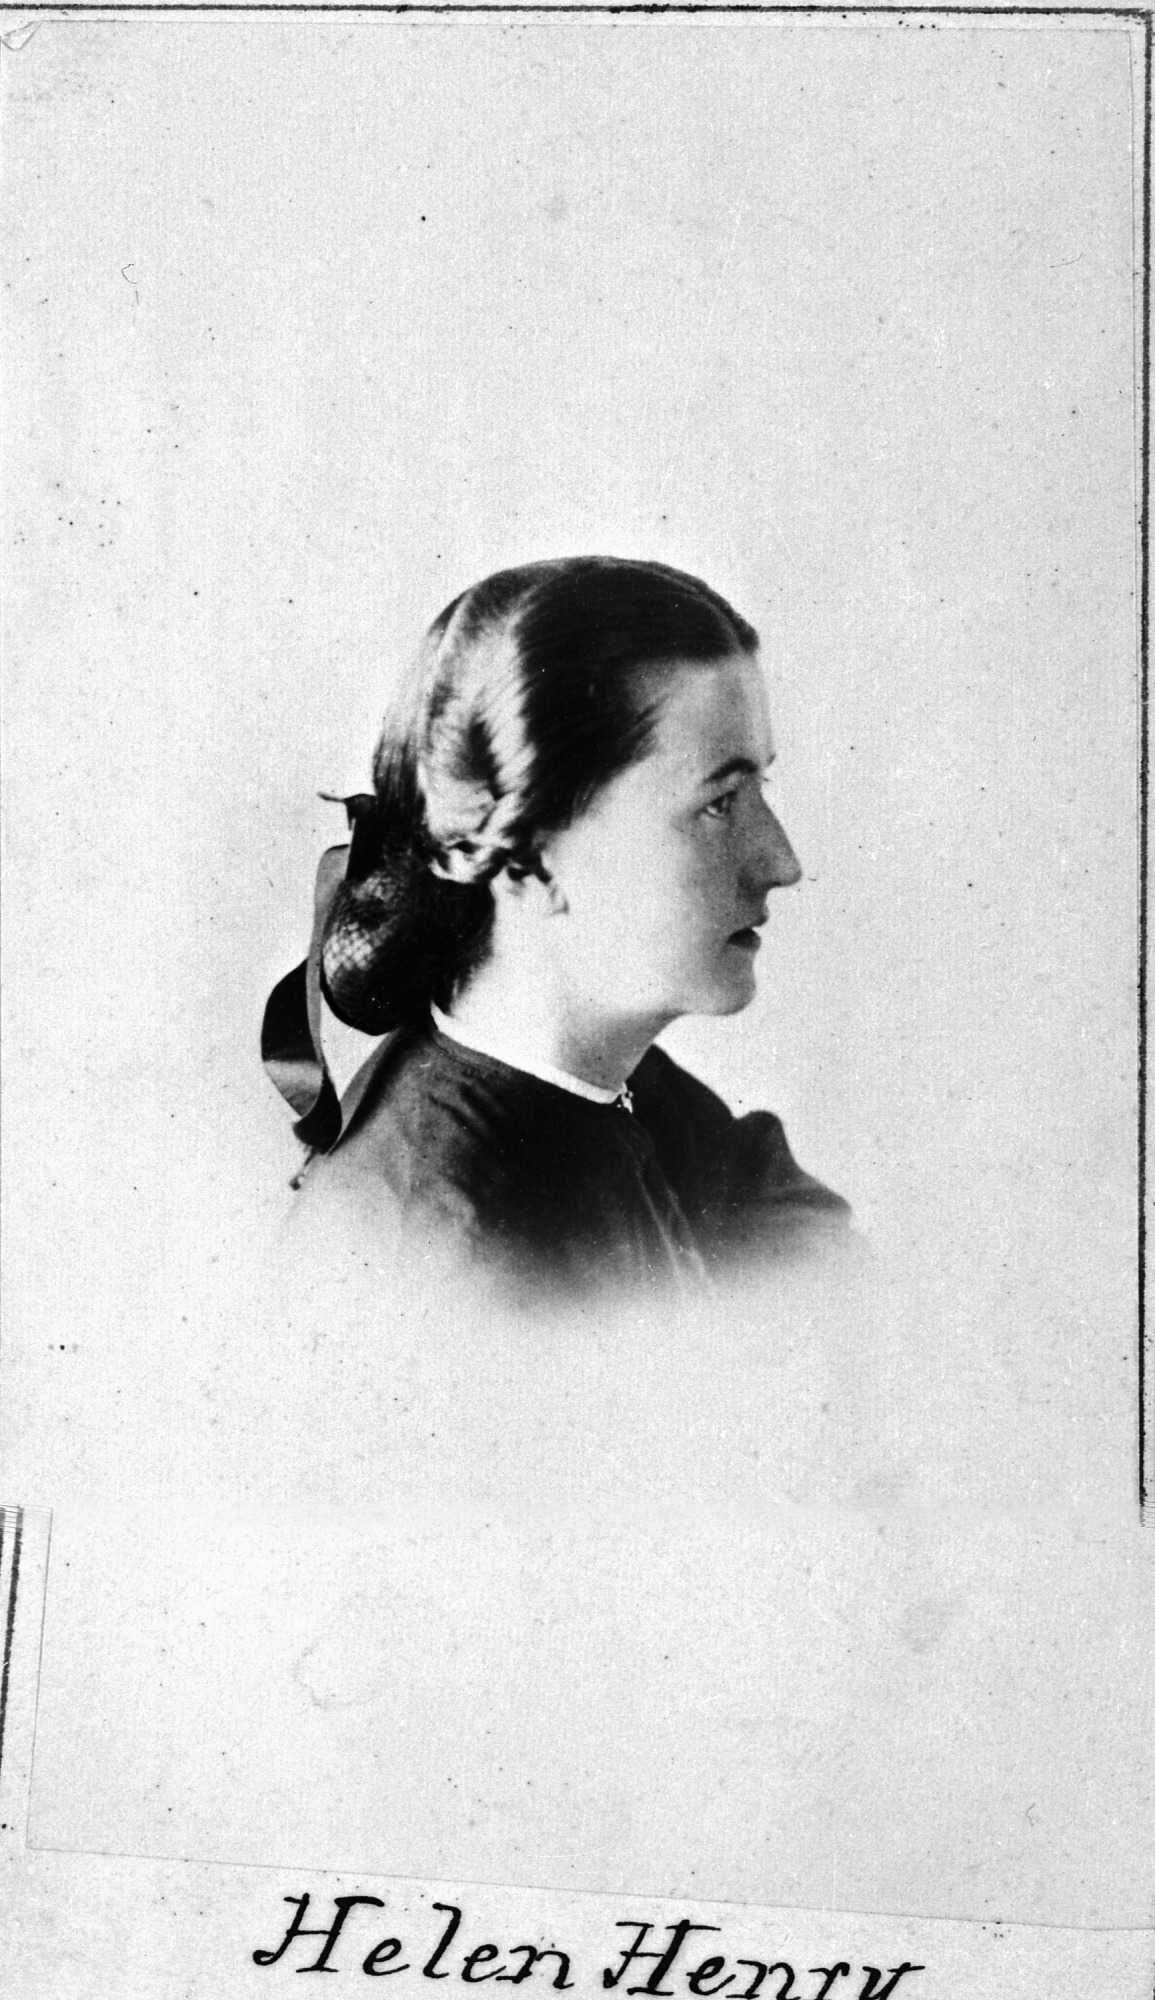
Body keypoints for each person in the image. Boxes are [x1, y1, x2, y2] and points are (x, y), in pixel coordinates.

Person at [262, 556, 851, 1308]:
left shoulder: (610, 1075)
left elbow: (786, 1221)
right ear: (532, 861)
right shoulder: (459, 1265)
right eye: (718, 803)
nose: (781, 862)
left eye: (759, 786)